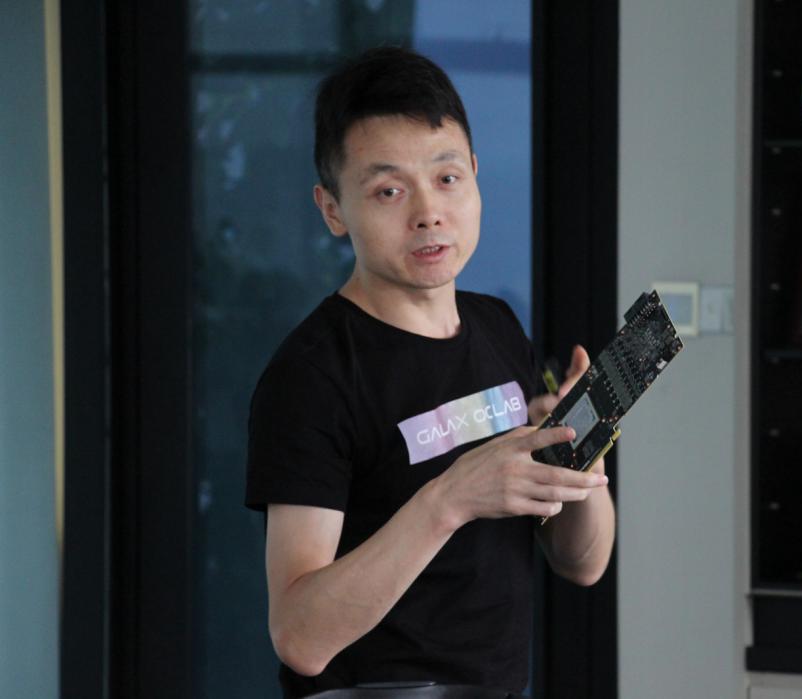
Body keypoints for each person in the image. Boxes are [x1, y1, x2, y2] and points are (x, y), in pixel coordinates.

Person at [245, 47, 616, 698]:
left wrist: (578, 454)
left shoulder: (497, 326)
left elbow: (581, 563)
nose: (428, 213)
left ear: (474, 174)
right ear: (333, 209)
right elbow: (299, 637)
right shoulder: (311, 375)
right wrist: (449, 499)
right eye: (388, 190)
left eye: (447, 178)